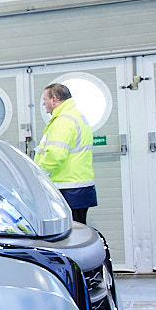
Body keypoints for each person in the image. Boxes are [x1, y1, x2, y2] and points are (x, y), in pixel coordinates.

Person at [35, 83, 97, 224]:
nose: (44, 105)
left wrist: (38, 175)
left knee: (70, 233)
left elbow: (55, 155)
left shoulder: (63, 120)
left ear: (54, 99)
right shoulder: (77, 116)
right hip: (79, 185)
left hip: (67, 188)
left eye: (45, 100)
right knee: (80, 230)